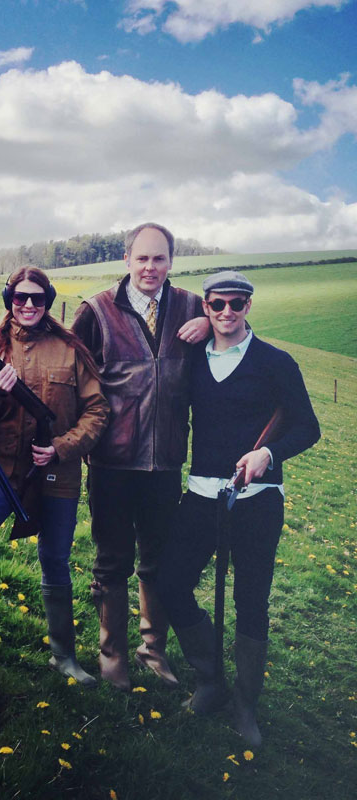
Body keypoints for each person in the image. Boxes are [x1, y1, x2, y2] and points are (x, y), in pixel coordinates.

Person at [156, 270, 320, 747]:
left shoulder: (276, 362)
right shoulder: (192, 359)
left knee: (251, 600)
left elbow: (308, 427)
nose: (227, 312)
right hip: (203, 493)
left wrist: (268, 455)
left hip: (258, 500)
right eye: (216, 304)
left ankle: (246, 705)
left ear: (250, 306)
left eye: (237, 303)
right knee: (170, 582)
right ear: (205, 307)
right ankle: (212, 683)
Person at [0, 266, 108, 682]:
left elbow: (97, 411)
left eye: (38, 298)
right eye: (21, 297)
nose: (29, 305)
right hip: (1, 468)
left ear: (48, 302)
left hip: (58, 473)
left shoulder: (71, 350)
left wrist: (60, 447)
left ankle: (63, 656)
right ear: (9, 300)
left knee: (54, 559)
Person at [72, 222, 209, 690]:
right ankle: (113, 655)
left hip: (166, 464)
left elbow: (238, 327)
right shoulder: (96, 311)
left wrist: (212, 321)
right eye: (142, 258)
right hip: (111, 464)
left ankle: (154, 650)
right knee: (112, 561)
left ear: (172, 261)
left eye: (160, 258)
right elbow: (73, 377)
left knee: (157, 560)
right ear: (126, 260)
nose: (151, 268)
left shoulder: (193, 306)